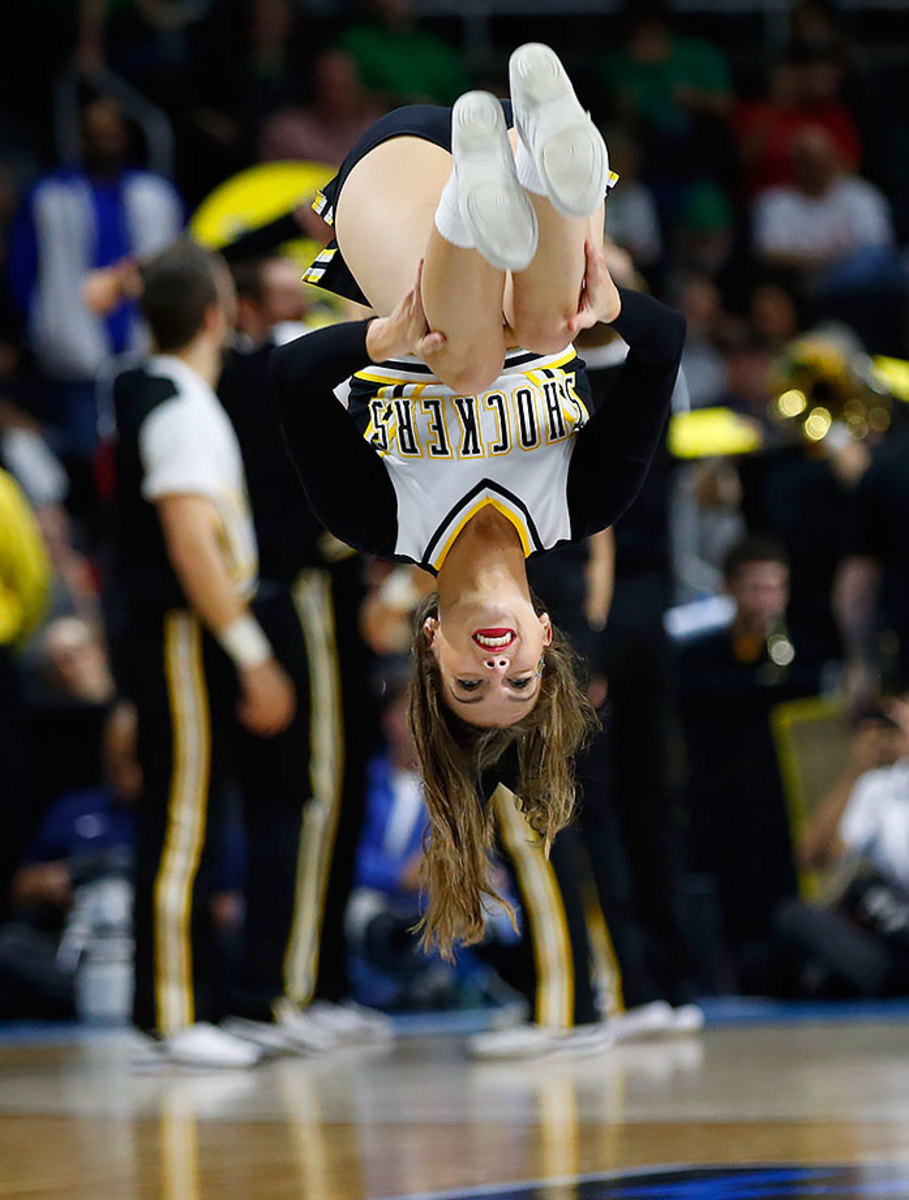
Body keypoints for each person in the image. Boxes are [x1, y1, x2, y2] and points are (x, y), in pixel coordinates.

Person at [272, 44, 685, 959]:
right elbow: (664, 347)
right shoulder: (588, 499)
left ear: (431, 645)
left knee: (462, 360)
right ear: (545, 636)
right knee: (545, 329)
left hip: (402, 198)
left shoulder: (375, 520)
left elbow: (291, 381)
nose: (495, 668)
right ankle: (541, 149)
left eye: (470, 685)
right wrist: (614, 304)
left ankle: (490, 188)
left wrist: (378, 338)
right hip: (531, 252)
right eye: (519, 681)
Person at [108, 240, 296, 1068]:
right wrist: (252, 653)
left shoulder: (158, 389)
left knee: (188, 817)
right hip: (183, 631)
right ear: (218, 315)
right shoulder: (180, 406)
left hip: (179, 632)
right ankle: (172, 1011)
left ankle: (186, 1002)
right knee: (182, 821)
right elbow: (192, 546)